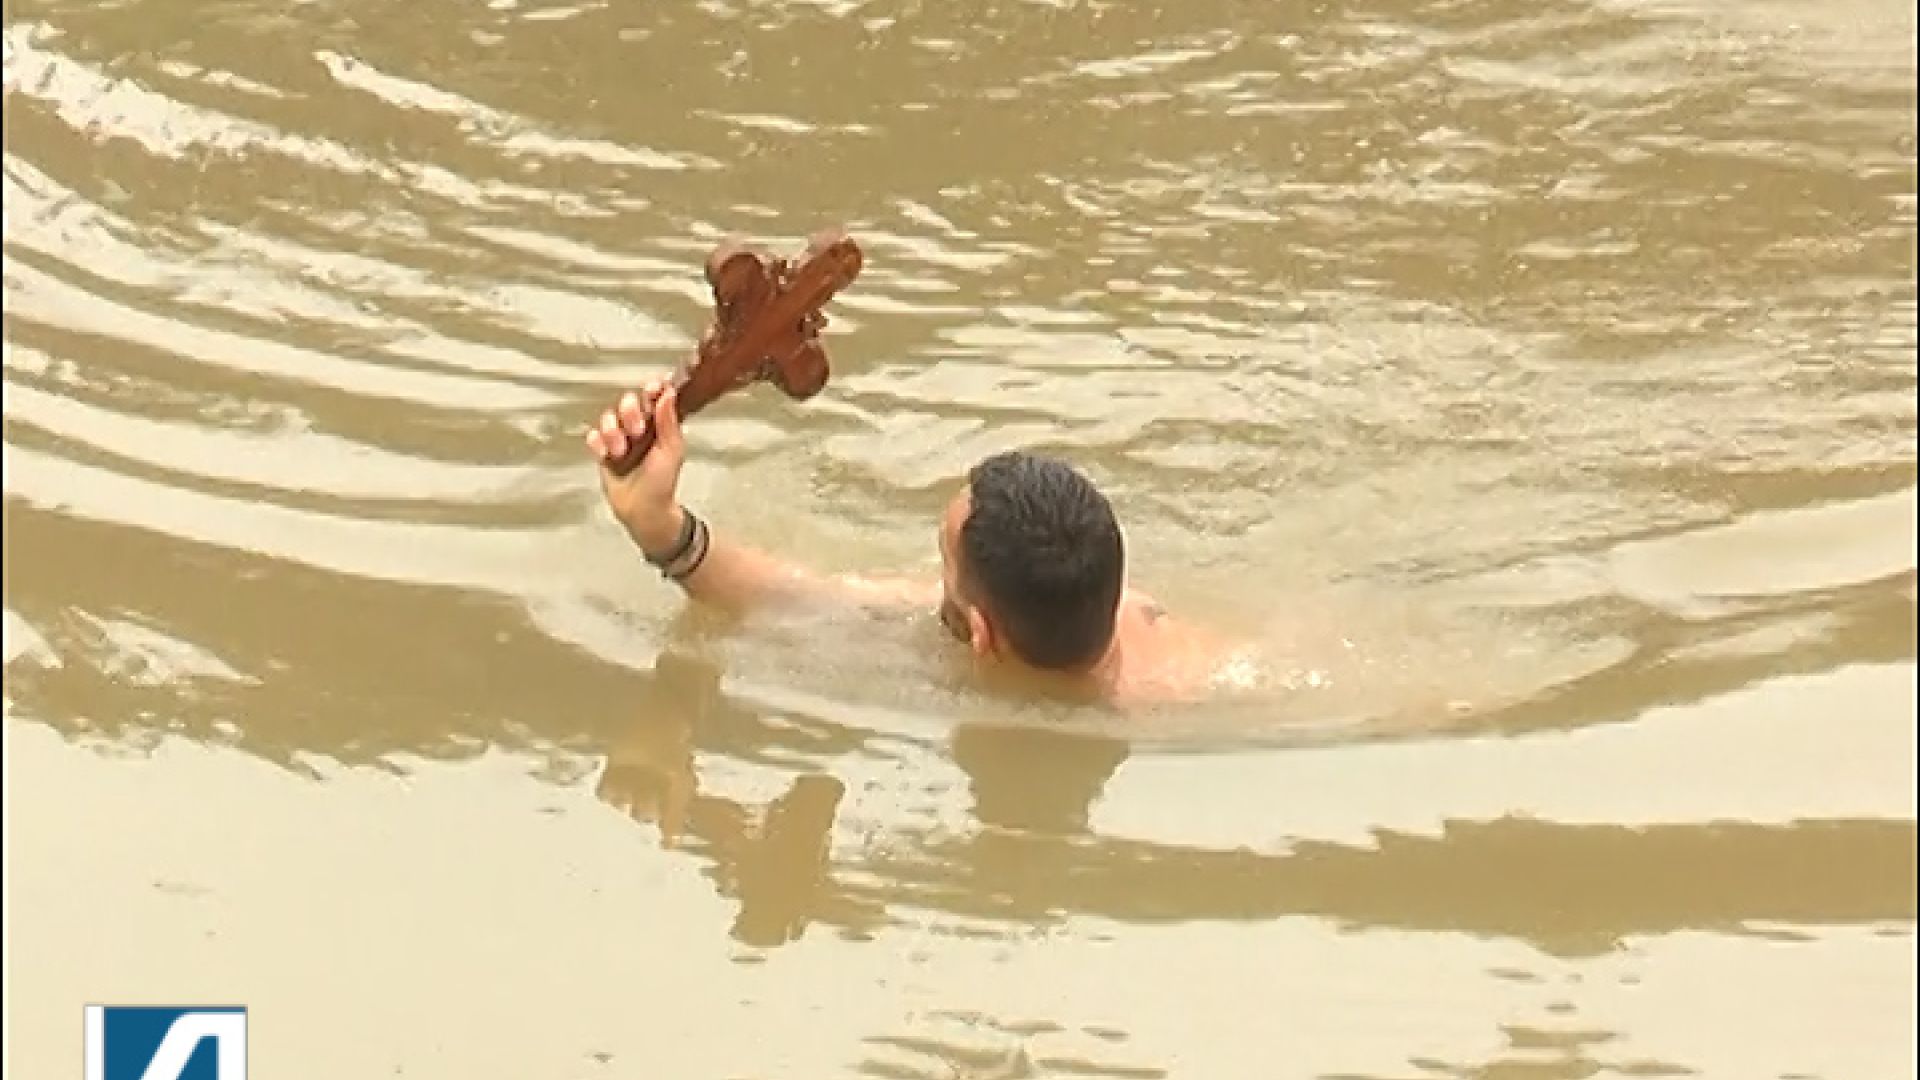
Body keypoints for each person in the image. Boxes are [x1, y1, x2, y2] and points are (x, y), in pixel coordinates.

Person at [585, 381, 1233, 703]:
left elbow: (795, 604)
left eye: (943, 566)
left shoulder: (947, 662)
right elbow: (797, 596)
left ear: (979, 635)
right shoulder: (1210, 676)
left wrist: (655, 532)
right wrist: (660, 525)